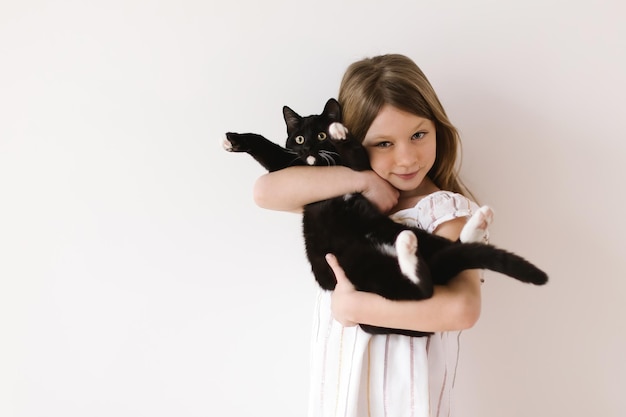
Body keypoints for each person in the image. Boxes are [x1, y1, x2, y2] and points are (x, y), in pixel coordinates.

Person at [253, 54, 486, 417]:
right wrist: (361, 180)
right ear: (351, 141)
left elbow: (462, 308)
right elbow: (265, 191)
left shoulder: (443, 211)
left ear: (438, 129)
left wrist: (355, 307)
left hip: (405, 402)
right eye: (383, 143)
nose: (407, 158)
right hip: (339, 399)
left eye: (418, 135)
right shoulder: (341, 202)